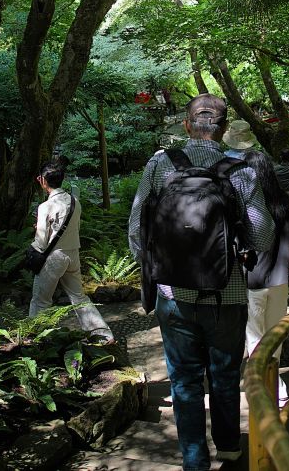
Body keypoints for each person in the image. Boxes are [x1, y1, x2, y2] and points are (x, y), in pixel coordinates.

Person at [129, 94, 274, 470]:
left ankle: (194, 460)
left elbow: (135, 229)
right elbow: (261, 234)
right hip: (227, 295)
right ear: (224, 130)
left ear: (187, 125)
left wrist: (158, 266)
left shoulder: (160, 165)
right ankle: (228, 447)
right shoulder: (240, 169)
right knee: (225, 377)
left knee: (184, 383)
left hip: (172, 296)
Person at [234, 149, 289, 407]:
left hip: (252, 281)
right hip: (280, 280)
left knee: (254, 337)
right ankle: (276, 386)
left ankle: (263, 388)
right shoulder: (283, 203)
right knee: (274, 336)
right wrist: (288, 268)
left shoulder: (246, 204)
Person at [29, 161, 114, 343]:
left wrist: (34, 241)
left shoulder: (45, 207)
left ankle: (37, 338)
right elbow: (74, 227)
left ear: (42, 180)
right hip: (73, 254)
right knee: (79, 297)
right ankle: (102, 334)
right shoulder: (75, 202)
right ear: (62, 179)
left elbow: (41, 242)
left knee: (41, 300)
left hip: (54, 258)